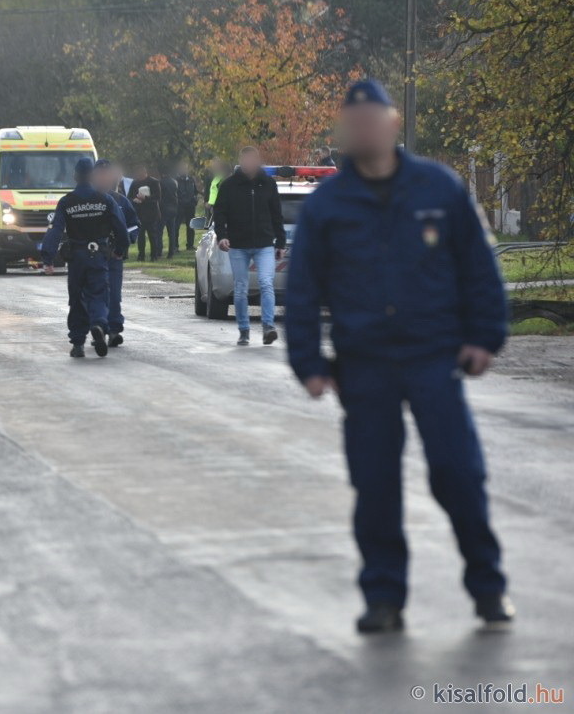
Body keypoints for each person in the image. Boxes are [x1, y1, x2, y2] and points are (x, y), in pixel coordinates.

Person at [286, 79, 513, 635]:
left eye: (373, 119)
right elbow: (303, 290)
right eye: (353, 122)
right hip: (364, 366)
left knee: (458, 474)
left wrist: (486, 336)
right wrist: (308, 363)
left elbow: (479, 269)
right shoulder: (328, 206)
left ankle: (488, 587)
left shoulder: (439, 187)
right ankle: (383, 598)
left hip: (433, 357)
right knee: (376, 483)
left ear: (392, 124)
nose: (363, 130)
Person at [40, 157, 129, 358]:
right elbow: (120, 227)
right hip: (98, 255)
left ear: (75, 176)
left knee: (77, 299)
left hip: (77, 257)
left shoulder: (66, 202)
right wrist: (120, 249)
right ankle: (98, 324)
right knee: (98, 294)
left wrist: (48, 258)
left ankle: (78, 343)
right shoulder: (105, 199)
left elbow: (55, 230)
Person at [212, 145, 285, 346]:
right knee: (241, 286)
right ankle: (243, 329)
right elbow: (220, 213)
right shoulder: (229, 185)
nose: (249, 164)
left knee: (266, 283)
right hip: (238, 245)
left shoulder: (268, 184)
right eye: (245, 160)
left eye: (252, 160)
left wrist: (280, 242)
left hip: (264, 244)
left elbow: (276, 215)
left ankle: (268, 326)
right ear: (241, 161)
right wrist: (222, 236)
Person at [94, 159, 140, 347]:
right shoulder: (88, 201)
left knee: (114, 295)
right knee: (96, 294)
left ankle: (113, 330)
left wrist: (124, 243)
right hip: (93, 256)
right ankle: (98, 327)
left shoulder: (121, 201)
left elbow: (134, 224)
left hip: (114, 256)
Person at [127, 165, 161, 262]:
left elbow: (157, 197)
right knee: (141, 236)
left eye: (141, 174)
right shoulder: (135, 183)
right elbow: (129, 196)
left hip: (151, 213)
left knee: (152, 235)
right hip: (139, 213)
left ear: (145, 173)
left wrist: (145, 199)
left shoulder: (154, 182)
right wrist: (134, 199)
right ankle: (141, 255)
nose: (139, 176)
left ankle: (154, 255)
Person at [175, 162, 201, 251]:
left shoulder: (190, 179)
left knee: (191, 225)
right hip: (180, 206)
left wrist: (194, 200)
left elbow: (195, 191)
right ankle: (175, 246)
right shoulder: (176, 180)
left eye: (185, 168)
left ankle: (190, 245)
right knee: (176, 226)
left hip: (190, 206)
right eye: (182, 168)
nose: (184, 170)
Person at [157, 166, 179, 258]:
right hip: (173, 208)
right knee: (172, 232)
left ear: (162, 174)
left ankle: (159, 251)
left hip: (163, 209)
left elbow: (159, 196)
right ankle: (171, 252)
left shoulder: (160, 182)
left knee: (159, 231)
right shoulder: (174, 182)